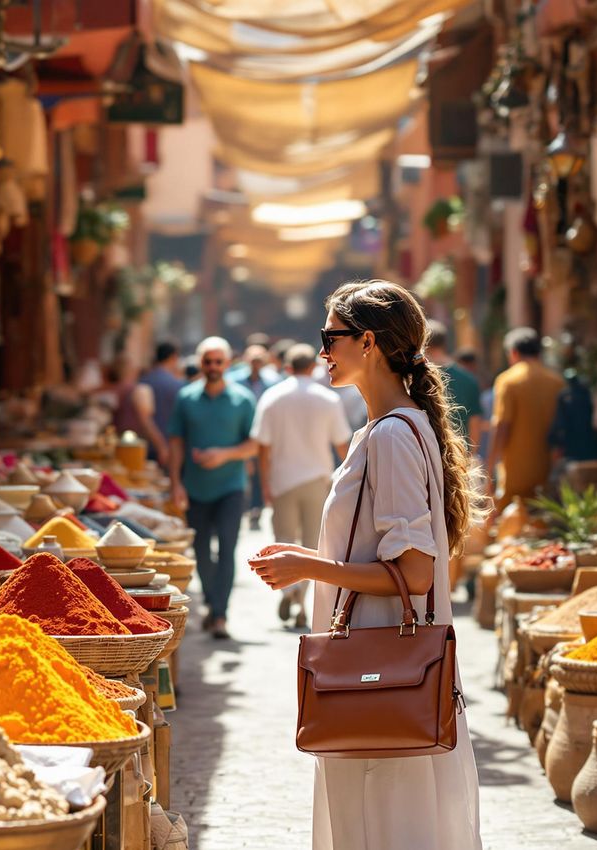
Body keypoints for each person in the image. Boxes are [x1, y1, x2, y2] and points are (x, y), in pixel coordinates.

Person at [247, 280, 482, 849]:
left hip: (379, 671)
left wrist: (310, 567)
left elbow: (416, 573)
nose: (323, 351)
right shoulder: (391, 429)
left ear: (368, 342)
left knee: (383, 825)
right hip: (380, 665)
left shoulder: (393, 437)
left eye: (331, 337)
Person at [251, 343, 352, 628]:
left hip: (283, 480)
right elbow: (343, 445)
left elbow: (263, 447)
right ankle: (302, 602)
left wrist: (265, 484)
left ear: (286, 367)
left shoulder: (272, 397)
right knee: (314, 544)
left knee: (283, 539)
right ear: (313, 367)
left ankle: (290, 591)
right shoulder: (327, 399)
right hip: (318, 481)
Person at [168, 337, 258, 640]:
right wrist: (176, 483)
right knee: (202, 552)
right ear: (201, 363)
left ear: (227, 364)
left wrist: (224, 454)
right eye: (208, 361)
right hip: (195, 488)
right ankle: (211, 599)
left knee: (228, 548)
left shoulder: (243, 400)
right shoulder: (186, 398)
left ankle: (219, 614)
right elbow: (176, 442)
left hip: (231, 487)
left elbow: (254, 444)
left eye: (219, 361)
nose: (213, 367)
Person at [485, 327, 565, 509]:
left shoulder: (508, 381)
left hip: (515, 473)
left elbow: (502, 426)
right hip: (548, 470)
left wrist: (489, 469)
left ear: (513, 353)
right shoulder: (557, 382)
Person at [234, 344, 279, 530]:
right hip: (243, 435)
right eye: (253, 360)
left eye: (259, 360)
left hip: (265, 435)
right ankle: (244, 506)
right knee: (246, 471)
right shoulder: (235, 381)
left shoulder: (273, 382)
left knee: (262, 472)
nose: (256, 364)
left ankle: (256, 508)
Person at [427, 322, 484, 452]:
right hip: (459, 456)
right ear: (444, 344)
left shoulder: (415, 377)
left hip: (426, 456)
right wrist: (470, 456)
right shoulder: (469, 379)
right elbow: (475, 423)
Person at [133, 341, 185, 467]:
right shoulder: (177, 385)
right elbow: (145, 418)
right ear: (174, 357)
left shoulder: (144, 380)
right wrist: (162, 447)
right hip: (168, 448)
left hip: (147, 447)